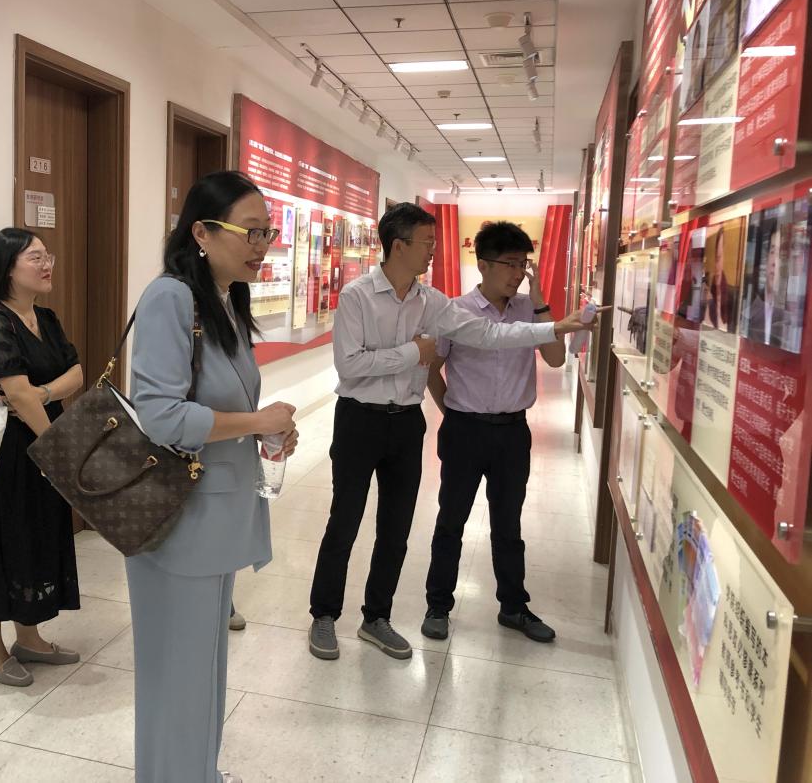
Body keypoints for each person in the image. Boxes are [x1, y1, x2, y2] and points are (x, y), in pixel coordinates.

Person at [307, 202, 600, 661]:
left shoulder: (433, 302)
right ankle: (324, 615)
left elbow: (489, 334)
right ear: (399, 246)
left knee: (396, 529)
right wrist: (414, 352)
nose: (433, 252)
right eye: (427, 243)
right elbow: (350, 366)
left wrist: (555, 326)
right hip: (360, 419)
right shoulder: (357, 296)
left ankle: (376, 618)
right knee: (345, 521)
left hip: (407, 421)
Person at [128, 170, 298, 783]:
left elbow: (220, 403)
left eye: (267, 232)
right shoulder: (171, 297)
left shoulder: (222, 300)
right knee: (179, 675)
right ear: (201, 232)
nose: (262, 245)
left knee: (201, 673)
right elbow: (159, 414)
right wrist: (257, 420)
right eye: (250, 231)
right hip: (180, 521)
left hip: (213, 517)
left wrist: (263, 430)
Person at [422, 221, 565, 645]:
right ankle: (437, 605)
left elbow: (556, 359)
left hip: (513, 433)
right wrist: (452, 412)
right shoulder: (456, 311)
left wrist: (540, 303)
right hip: (465, 430)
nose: (518, 273)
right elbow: (432, 369)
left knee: (508, 525)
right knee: (451, 521)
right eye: (510, 264)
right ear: (482, 264)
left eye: (524, 264)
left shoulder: (528, 310)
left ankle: (514, 607)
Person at [0, 228, 84, 686]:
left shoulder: (46, 318)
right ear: (8, 268)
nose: (47, 264)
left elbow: (76, 373)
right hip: (6, 455)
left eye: (47, 256)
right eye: (35, 257)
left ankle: (28, 637)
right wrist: (56, 449)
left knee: (34, 540)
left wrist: (45, 392)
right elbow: (16, 395)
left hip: (41, 443)